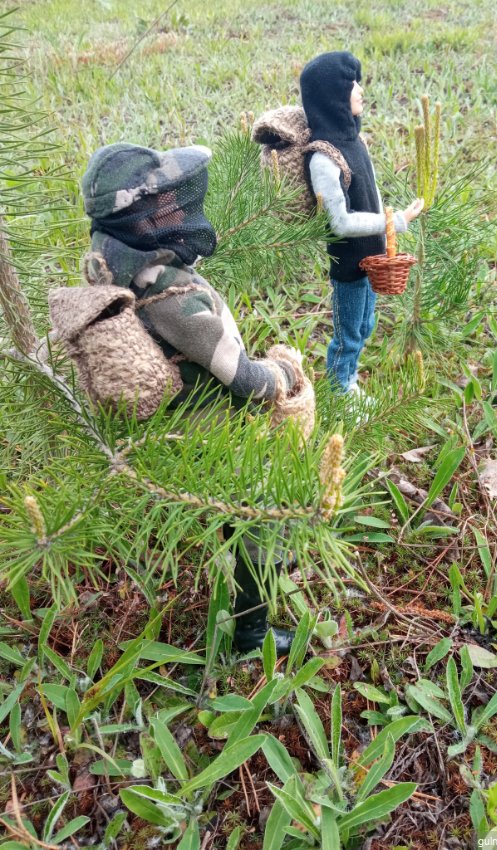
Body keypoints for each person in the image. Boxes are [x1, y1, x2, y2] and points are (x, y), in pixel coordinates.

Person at [80, 142, 306, 655]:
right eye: (162, 204)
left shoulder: (104, 261)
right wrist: (286, 372)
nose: (178, 210)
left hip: (169, 418)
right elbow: (244, 381)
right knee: (259, 514)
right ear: (139, 219)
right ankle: (252, 632)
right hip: (204, 424)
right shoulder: (173, 296)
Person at [300, 51, 424, 395]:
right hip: (350, 263)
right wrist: (394, 222)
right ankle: (340, 391)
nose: (359, 90)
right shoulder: (324, 157)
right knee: (349, 334)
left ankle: (349, 383)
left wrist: (388, 228)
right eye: (350, 84)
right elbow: (338, 223)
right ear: (332, 97)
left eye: (358, 82)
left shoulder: (356, 143)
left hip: (374, 258)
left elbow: (373, 193)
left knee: (365, 325)